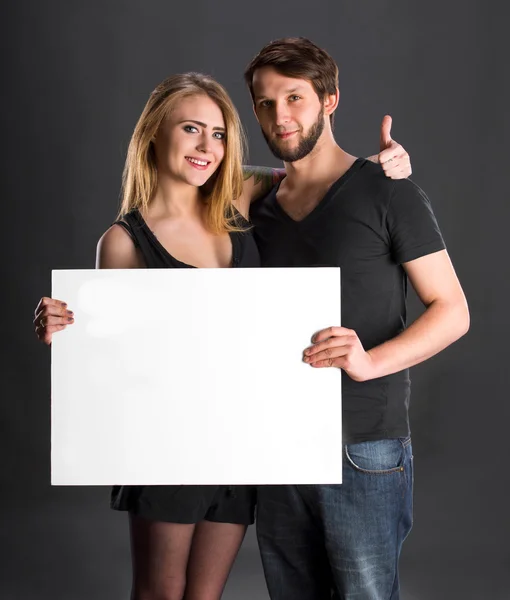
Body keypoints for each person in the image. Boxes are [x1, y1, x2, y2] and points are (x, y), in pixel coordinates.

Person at [33, 70, 411, 600]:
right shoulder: (122, 241)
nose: (206, 146)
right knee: (161, 592)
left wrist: (380, 168)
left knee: (207, 595)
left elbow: (319, 178)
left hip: (237, 443)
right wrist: (65, 331)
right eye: (190, 129)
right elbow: (106, 359)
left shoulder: (237, 205)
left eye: (218, 134)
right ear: (154, 134)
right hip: (164, 446)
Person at [244, 38, 470, 600]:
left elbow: (453, 310)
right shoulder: (256, 206)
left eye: (294, 98)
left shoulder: (389, 193)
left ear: (330, 99)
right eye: (266, 104)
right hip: (279, 444)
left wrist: (369, 363)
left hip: (363, 445)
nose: (281, 116)